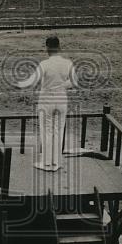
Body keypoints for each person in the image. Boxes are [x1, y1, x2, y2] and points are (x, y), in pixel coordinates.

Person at [14, 35, 77, 172]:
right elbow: (74, 82)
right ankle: (56, 162)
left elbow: (31, 81)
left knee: (47, 131)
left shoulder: (45, 64)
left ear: (47, 48)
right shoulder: (68, 63)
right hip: (61, 100)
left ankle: (47, 163)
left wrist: (18, 84)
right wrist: (61, 86)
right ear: (59, 47)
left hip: (47, 100)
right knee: (58, 131)